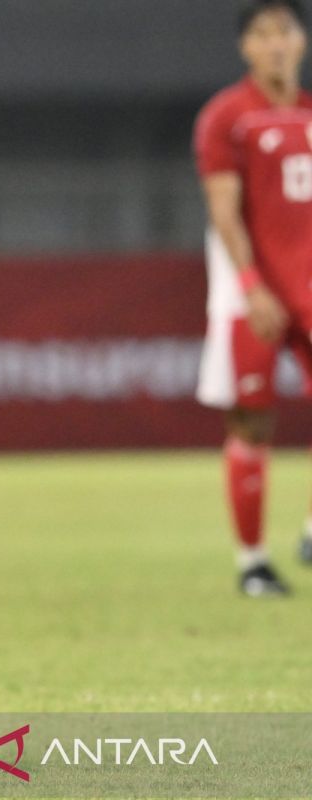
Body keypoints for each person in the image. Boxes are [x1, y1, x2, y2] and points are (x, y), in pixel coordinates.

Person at [194, 0, 312, 595]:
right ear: (247, 47)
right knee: (253, 421)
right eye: (262, 34)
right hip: (254, 293)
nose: (274, 44)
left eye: (284, 32)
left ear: (301, 42)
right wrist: (249, 285)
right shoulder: (228, 117)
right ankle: (253, 564)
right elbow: (224, 209)